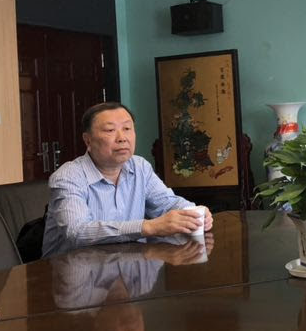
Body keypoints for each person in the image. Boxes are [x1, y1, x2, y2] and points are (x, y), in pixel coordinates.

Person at [42, 101, 212, 256]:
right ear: (88, 140)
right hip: (72, 271)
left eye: (127, 128)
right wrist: (148, 227)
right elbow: (77, 232)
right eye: (110, 130)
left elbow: (167, 204)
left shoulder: (139, 167)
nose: (122, 138)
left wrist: (194, 212)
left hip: (127, 265)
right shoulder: (69, 176)